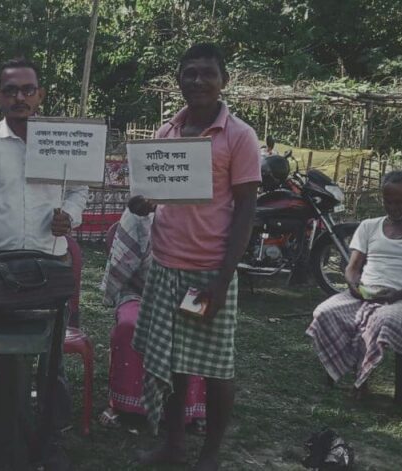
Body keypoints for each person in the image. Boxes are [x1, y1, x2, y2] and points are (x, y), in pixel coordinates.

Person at [128, 43, 261, 471]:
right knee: (175, 361)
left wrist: (222, 279)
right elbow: (153, 197)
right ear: (179, 80)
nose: (198, 81)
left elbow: (245, 209)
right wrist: (141, 204)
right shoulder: (167, 133)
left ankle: (210, 455)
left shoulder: (238, 136)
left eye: (207, 73)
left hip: (208, 273)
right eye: (189, 73)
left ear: (224, 81)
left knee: (217, 367)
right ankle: (173, 445)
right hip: (166, 266)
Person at [0, 57, 88, 470]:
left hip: (50, 266)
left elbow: (79, 189)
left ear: (40, 95)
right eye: (11, 90)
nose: (19, 97)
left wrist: (70, 215)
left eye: (27, 89)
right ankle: (0, 432)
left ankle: (50, 438)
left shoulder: (63, 142)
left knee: (52, 360)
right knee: (2, 358)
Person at [307, 170, 402, 398]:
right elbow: (352, 267)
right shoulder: (369, 226)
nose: (394, 207)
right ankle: (341, 371)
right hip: (364, 293)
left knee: (381, 321)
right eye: (388, 201)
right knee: (324, 311)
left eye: (400, 202)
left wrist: (395, 295)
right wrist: (353, 286)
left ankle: (362, 381)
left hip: (401, 299)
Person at [99, 209, 207, 431]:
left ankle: (191, 409)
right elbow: (125, 257)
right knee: (130, 326)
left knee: (195, 324)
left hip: (193, 288)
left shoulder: (205, 213)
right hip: (138, 292)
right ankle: (124, 403)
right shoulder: (141, 211)